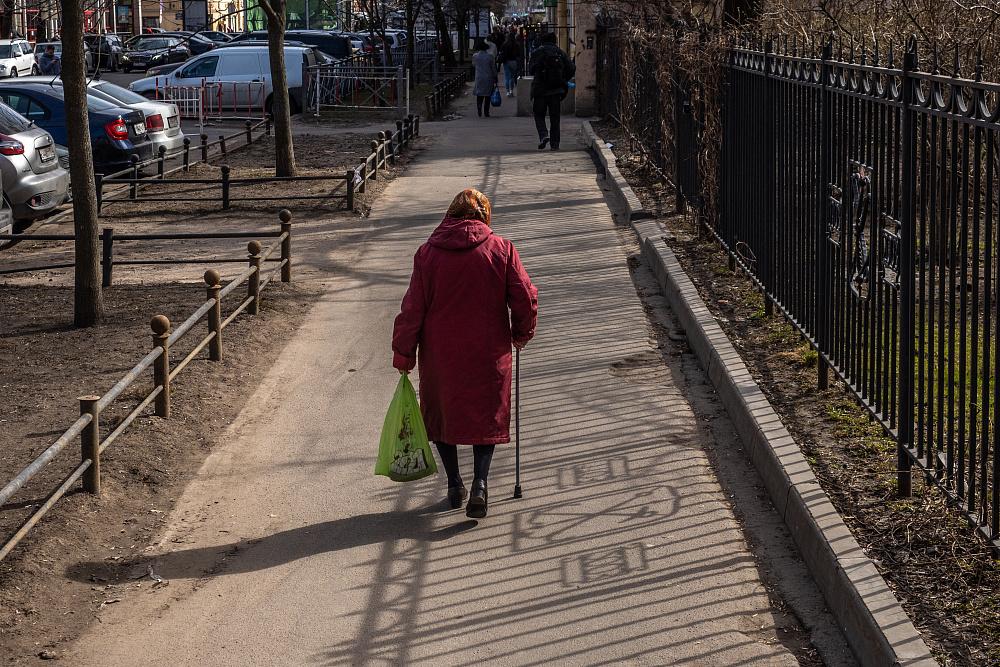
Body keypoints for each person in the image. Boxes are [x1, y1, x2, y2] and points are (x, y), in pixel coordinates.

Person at [392, 189, 538, 519]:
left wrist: (404, 353)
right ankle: (481, 484)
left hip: (441, 354)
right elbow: (525, 297)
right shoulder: (502, 250)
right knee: (484, 417)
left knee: (444, 416)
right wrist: (521, 334)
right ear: (484, 216)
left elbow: (412, 308)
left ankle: (455, 483)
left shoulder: (428, 254)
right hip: (489, 351)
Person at [528, 32, 575, 151]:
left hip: (540, 90)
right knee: (555, 117)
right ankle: (555, 144)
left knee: (539, 114)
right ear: (555, 40)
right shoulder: (559, 52)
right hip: (556, 90)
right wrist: (562, 79)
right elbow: (571, 68)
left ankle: (543, 135)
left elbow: (531, 70)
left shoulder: (537, 52)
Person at [472, 39, 497, 118]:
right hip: (488, 77)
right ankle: (486, 112)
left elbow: (473, 65)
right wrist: (495, 76)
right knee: (488, 95)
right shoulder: (490, 56)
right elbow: (493, 68)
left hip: (479, 77)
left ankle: (479, 108)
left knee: (479, 95)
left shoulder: (475, 56)